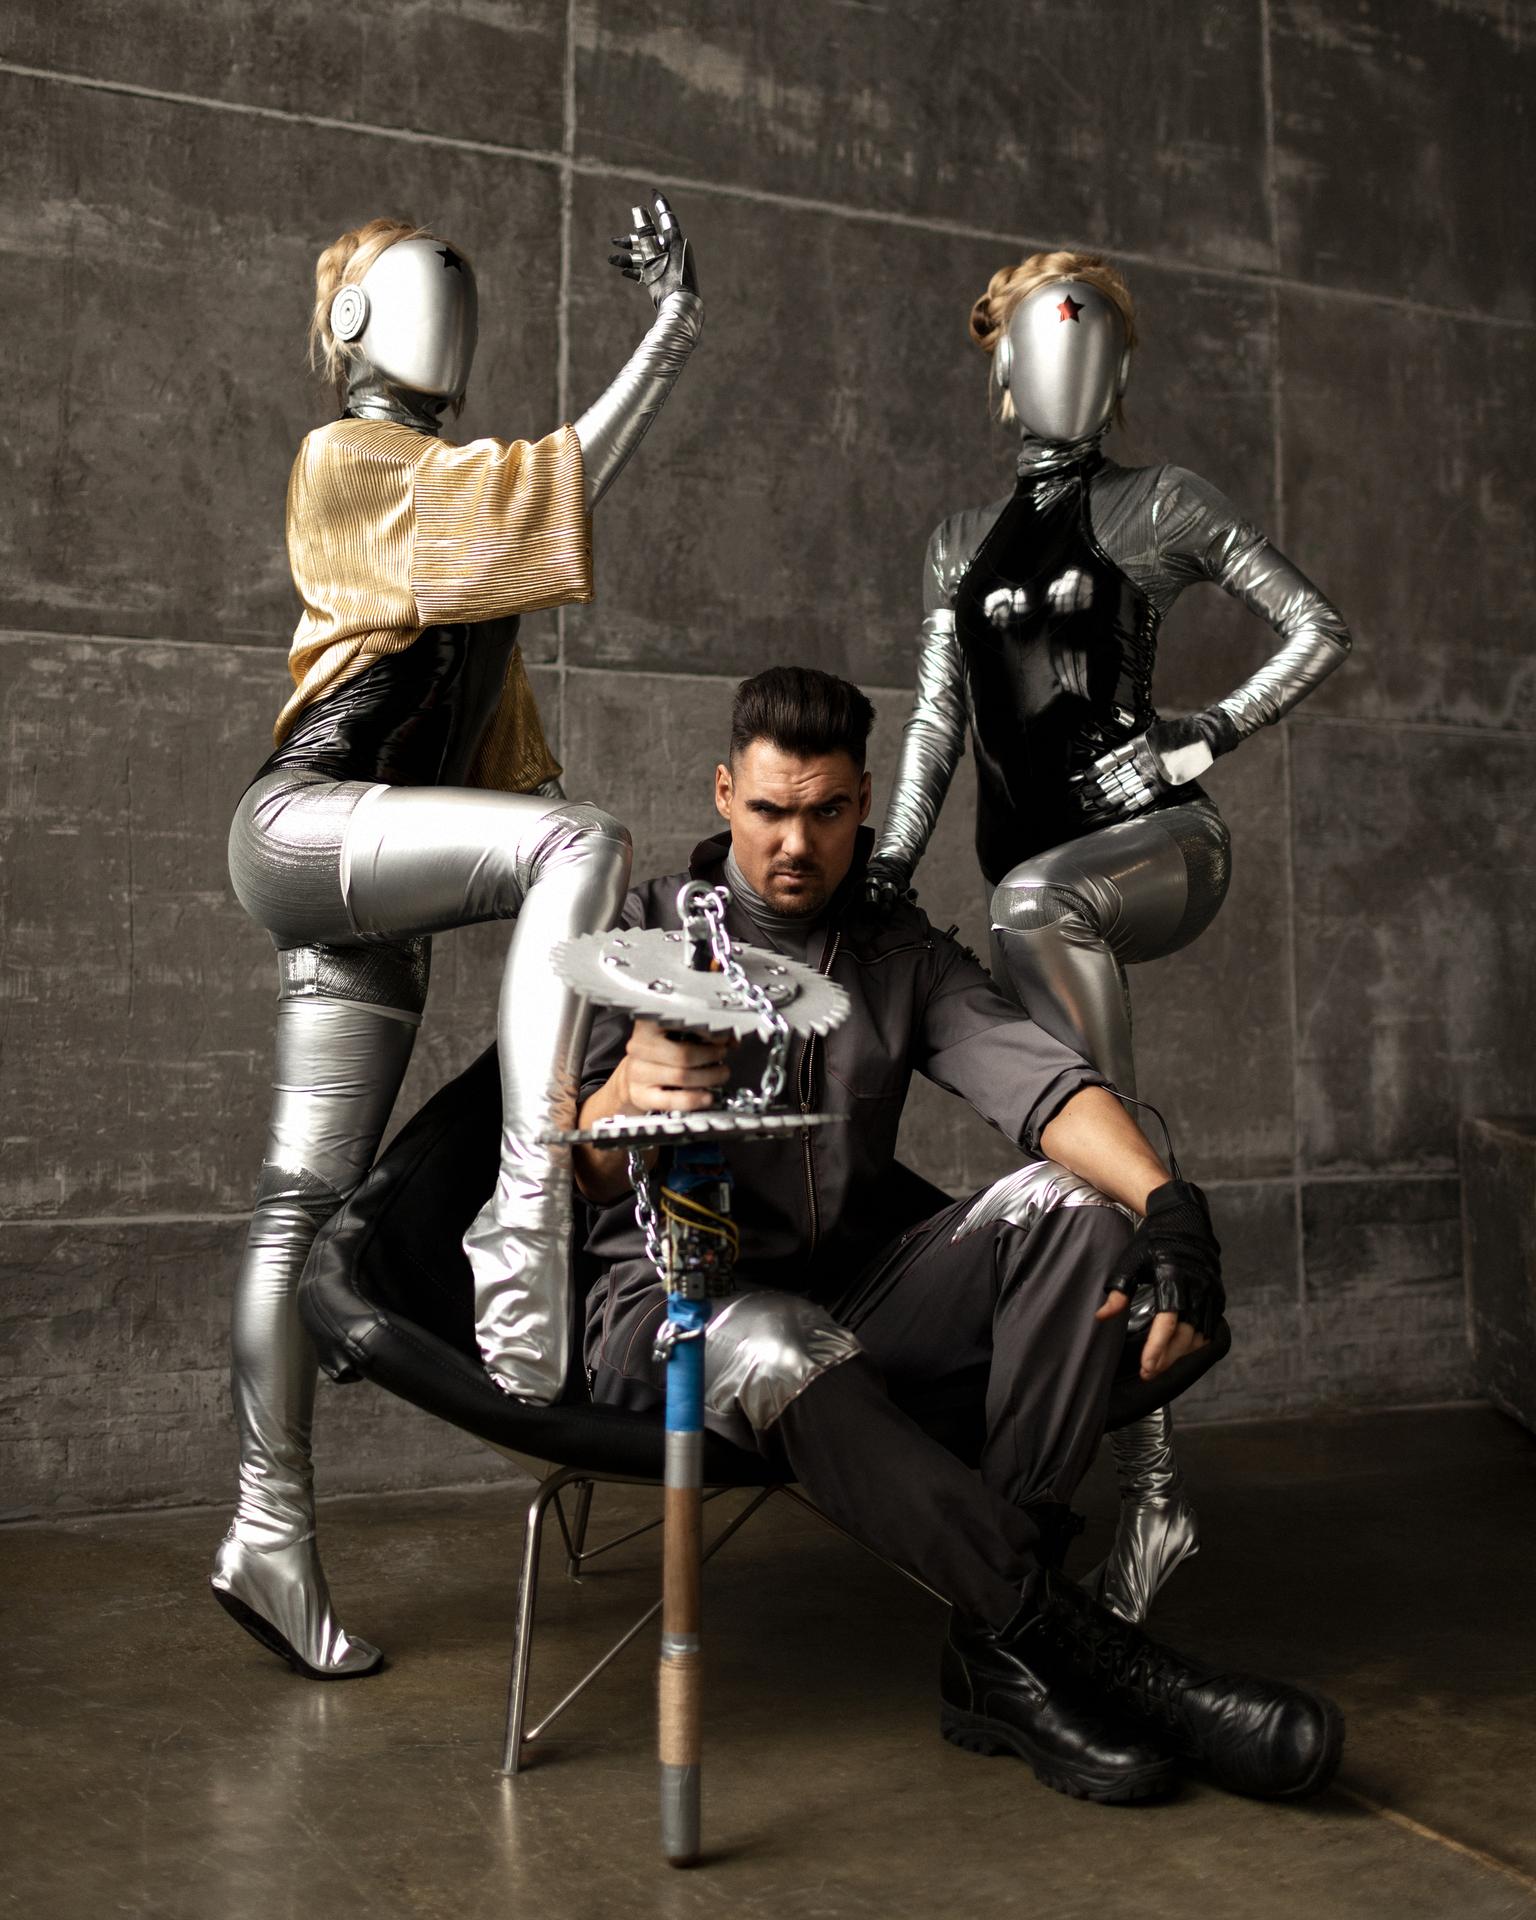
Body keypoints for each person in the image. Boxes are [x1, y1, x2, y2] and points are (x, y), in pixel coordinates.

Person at [572, 665, 1341, 1805]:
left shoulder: (898, 952)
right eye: (770, 810)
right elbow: (581, 1167)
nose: (796, 843)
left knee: (1080, 1206)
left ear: (863, 805)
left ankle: (997, 1653)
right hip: (673, 1318)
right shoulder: (643, 934)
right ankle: (1075, 1645)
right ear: (725, 794)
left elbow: (1041, 1086)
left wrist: (1170, 1206)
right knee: (780, 1342)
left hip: (853, 1303)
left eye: (826, 813)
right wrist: (627, 1099)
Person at [213, 196, 703, 1681]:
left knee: (301, 1204)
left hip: (370, 881)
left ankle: (265, 1536)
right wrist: (668, 338)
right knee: (582, 843)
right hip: (305, 825)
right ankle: (524, 1213)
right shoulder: (351, 462)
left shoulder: (462, 524)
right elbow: (540, 495)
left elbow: (513, 782)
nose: (453, 313)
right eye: (420, 286)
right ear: (353, 320)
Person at [864, 250, 1351, 1623]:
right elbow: (937, 723)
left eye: (1093, 343)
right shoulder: (957, 542)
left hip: (1161, 853)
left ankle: (1142, 1490)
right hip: (1032, 877)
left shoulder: (1163, 502)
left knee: (1044, 944)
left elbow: (1315, 625)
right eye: (1040, 340)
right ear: (1002, 371)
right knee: (1083, 1168)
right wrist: (892, 856)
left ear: (1121, 372)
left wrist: (1207, 733)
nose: (1067, 364)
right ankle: (1140, 1491)